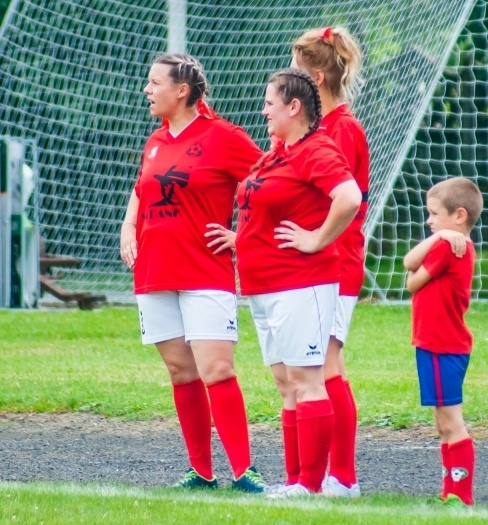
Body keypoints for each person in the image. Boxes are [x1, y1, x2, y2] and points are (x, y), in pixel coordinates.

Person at [119, 54, 266, 492]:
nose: (147, 90)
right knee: (182, 374)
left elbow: (271, 183)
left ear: (181, 91)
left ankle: (244, 472)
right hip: (153, 269)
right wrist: (129, 224)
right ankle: (201, 472)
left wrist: (244, 236)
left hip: (205, 269)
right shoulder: (155, 141)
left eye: (154, 82)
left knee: (217, 368)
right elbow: (141, 187)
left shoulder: (223, 137)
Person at [234, 68, 362, 498]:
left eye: (270, 104)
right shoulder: (278, 152)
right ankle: (294, 482)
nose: (263, 111)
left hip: (300, 281)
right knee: (287, 384)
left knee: (308, 382)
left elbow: (349, 197)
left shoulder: (316, 148)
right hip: (266, 284)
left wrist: (317, 239)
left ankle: (311, 485)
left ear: (294, 107)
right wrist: (245, 239)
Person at [290, 26, 368, 498]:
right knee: (311, 367)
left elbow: (346, 201)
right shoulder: (319, 127)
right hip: (317, 262)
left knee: (328, 365)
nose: (288, 76)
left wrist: (316, 239)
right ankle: (314, 477)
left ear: (316, 77)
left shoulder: (343, 129)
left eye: (297, 68)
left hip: (337, 261)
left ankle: (343, 477)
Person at [403, 177, 484, 507]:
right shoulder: (447, 241)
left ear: (459, 215)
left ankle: (460, 495)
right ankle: (450, 489)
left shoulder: (449, 245)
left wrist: (443, 235)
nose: (430, 221)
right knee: (442, 421)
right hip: (435, 344)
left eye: (434, 214)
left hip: (443, 344)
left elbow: (410, 274)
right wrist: (443, 233)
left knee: (451, 422)